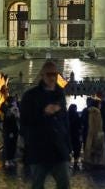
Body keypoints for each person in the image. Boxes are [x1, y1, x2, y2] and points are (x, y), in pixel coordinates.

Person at [19, 60, 71, 189]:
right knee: (37, 184)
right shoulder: (30, 96)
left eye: (55, 74)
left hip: (59, 149)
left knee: (64, 184)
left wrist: (68, 145)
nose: (52, 77)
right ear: (42, 75)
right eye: (49, 74)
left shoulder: (60, 95)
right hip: (39, 150)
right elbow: (25, 121)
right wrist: (43, 113)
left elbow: (65, 122)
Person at [82, 97, 105, 168]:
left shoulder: (89, 111)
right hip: (97, 133)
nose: (100, 105)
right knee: (98, 149)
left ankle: (90, 162)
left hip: (89, 133)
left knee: (90, 148)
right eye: (99, 104)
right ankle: (98, 163)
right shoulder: (97, 112)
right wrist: (100, 133)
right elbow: (98, 124)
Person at [1, 96, 20, 167]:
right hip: (12, 131)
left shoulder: (7, 109)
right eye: (14, 101)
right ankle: (9, 160)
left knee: (9, 145)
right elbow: (13, 120)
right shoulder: (13, 109)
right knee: (11, 146)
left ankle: (9, 160)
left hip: (8, 131)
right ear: (13, 101)